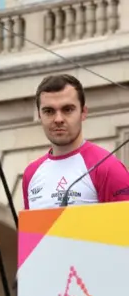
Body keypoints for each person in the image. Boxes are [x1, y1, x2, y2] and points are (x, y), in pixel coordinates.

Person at [22, 74, 129, 209]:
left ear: (83, 112)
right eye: (49, 111)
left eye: (68, 110)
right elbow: (30, 230)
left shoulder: (108, 167)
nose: (58, 119)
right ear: (39, 115)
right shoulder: (30, 174)